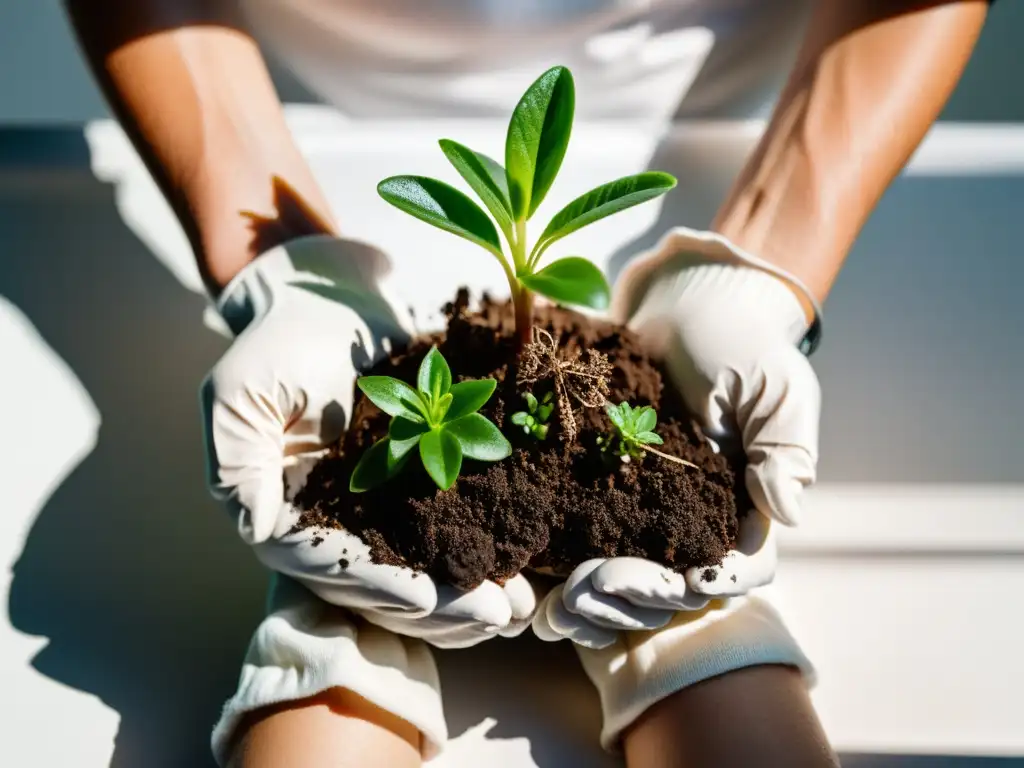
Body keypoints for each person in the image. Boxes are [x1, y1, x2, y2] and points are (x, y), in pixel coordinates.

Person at [64, 1, 992, 766]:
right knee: (340, 628)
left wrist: (756, 267)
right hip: (292, 145)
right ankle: (341, 650)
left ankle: (694, 643)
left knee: (698, 626)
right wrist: (284, 270)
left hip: (722, 136)